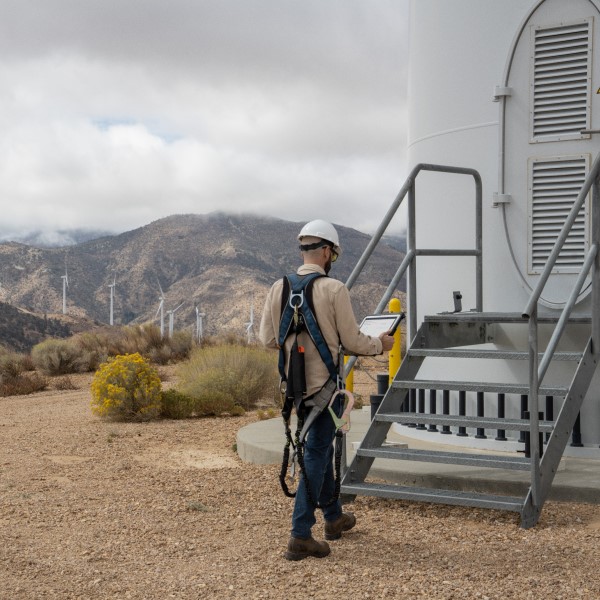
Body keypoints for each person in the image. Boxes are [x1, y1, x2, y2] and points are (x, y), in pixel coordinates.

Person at [259, 219, 395, 560]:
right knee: (317, 453)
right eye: (332, 253)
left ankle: (333, 518)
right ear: (326, 252)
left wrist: (296, 342)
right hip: (325, 389)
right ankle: (300, 533)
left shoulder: (278, 288)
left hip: (295, 388)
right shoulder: (334, 290)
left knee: (319, 447)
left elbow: (267, 339)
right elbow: (352, 341)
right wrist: (380, 345)